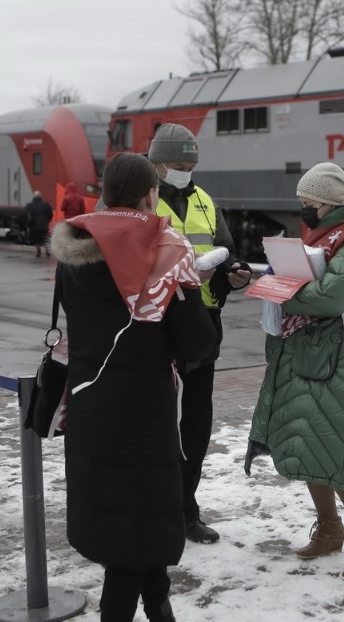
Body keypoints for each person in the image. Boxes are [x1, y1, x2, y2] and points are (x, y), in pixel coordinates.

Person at [50, 152, 218, 622]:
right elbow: (196, 344)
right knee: (138, 532)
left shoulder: (74, 251)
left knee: (119, 524)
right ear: (150, 195)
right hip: (144, 416)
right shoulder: (165, 253)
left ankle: (158, 604)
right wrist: (189, 289)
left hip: (90, 407)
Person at [245, 162, 344, 580]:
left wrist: (279, 290)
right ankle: (329, 528)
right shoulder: (323, 233)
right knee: (310, 440)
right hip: (312, 350)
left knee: (340, 446)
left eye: (308, 202)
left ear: (329, 202)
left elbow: (332, 296)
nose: (304, 210)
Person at [147, 123, 253, 543]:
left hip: (202, 325)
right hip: (156, 325)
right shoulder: (143, 200)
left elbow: (225, 249)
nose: (185, 171)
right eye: (177, 164)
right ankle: (155, 509)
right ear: (156, 162)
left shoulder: (205, 200)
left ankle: (185, 509)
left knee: (196, 422)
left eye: (191, 164)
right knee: (157, 422)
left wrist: (235, 272)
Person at [24, 190, 53, 256]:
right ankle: (47, 251)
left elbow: (25, 215)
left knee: (36, 239)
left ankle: (38, 251)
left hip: (34, 226)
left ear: (33, 197)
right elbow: (50, 214)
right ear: (40, 196)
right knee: (45, 238)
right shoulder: (46, 204)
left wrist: (28, 224)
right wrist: (47, 221)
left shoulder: (29, 205)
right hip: (44, 226)